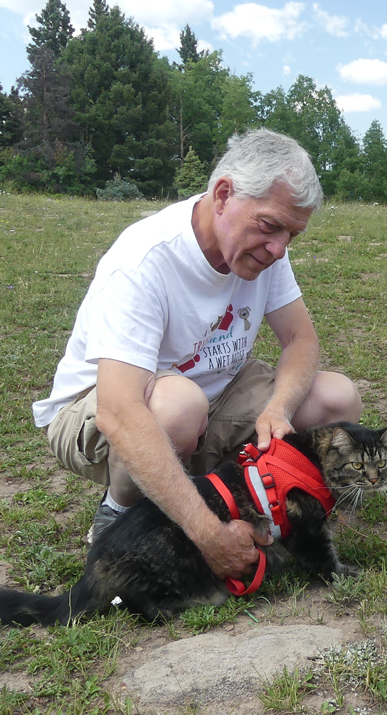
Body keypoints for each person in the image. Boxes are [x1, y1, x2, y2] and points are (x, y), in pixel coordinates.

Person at [31, 128, 363, 582]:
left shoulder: (267, 250)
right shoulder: (144, 258)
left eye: (292, 234)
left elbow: (300, 340)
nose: (279, 248)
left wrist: (279, 408)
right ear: (223, 194)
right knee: (177, 406)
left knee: (336, 398)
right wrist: (208, 534)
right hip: (102, 414)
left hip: (213, 398)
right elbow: (119, 411)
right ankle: (118, 510)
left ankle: (267, 501)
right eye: (269, 226)